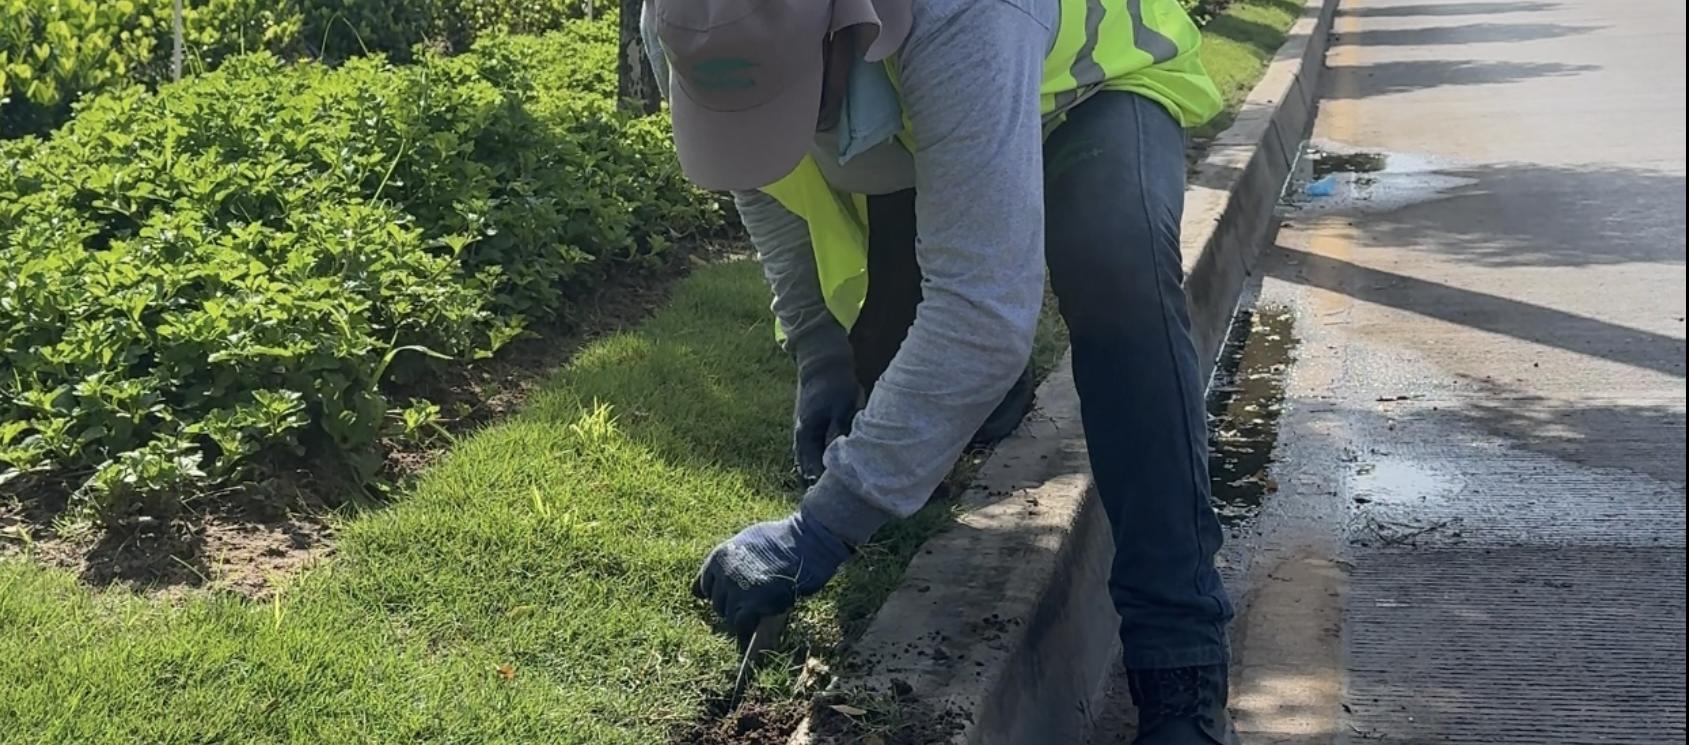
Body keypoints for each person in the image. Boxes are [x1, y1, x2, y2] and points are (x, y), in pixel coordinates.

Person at [644, 0, 1237, 741]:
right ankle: (990, 401)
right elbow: (765, 187)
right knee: (896, 360)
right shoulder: (693, 15)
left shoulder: (966, 12)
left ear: (840, 34)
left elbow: (981, 317)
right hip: (919, 93)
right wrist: (820, 353)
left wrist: (820, 527)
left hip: (1091, 83)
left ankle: (1180, 667)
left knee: (1116, 273)